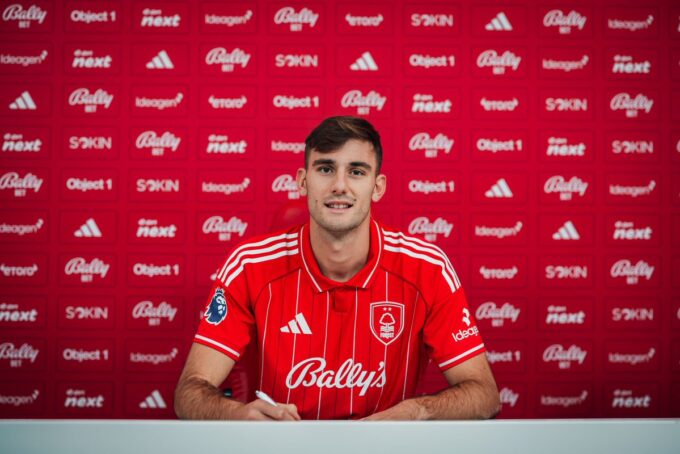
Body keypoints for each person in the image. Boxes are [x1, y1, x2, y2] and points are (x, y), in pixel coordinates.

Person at [174, 116, 500, 420]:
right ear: (303, 181)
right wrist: (238, 415)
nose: (340, 185)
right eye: (326, 169)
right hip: (282, 449)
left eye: (356, 171)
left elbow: (485, 394)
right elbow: (189, 392)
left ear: (377, 186)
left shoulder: (427, 269)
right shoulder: (249, 266)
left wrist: (415, 411)